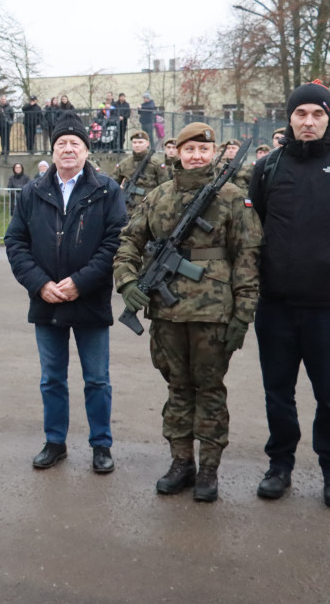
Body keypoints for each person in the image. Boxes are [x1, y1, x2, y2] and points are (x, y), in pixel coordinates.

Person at [114, 122, 262, 502]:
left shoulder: (232, 198)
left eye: (204, 149)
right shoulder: (159, 196)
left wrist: (243, 314)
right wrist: (128, 282)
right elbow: (130, 240)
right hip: (166, 312)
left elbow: (248, 260)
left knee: (210, 391)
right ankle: (181, 462)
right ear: (177, 152)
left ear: (214, 154)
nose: (197, 156)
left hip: (214, 314)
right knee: (178, 389)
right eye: (190, 148)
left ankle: (209, 469)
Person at [248, 81, 330, 509]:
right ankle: (280, 465)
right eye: (300, 114)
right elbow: (259, 226)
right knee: (277, 393)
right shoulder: (267, 167)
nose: (308, 122)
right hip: (277, 308)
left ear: (329, 118)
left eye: (317, 114)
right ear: (289, 118)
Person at [4, 112, 126, 474]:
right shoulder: (33, 191)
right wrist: (40, 284)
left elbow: (115, 242)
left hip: (89, 300)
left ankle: (101, 445)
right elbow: (15, 241)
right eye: (61, 144)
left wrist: (80, 282)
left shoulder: (107, 190)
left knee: (97, 379)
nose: (68, 149)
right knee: (52, 378)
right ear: (53, 152)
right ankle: (55, 441)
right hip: (47, 301)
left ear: (87, 150)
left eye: (75, 143)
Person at [111, 131, 161, 213]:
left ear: (147, 143)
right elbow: (112, 184)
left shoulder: (156, 164)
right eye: (134, 142)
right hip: (127, 208)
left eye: (140, 142)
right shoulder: (124, 164)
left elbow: (164, 187)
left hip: (148, 206)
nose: (137, 145)